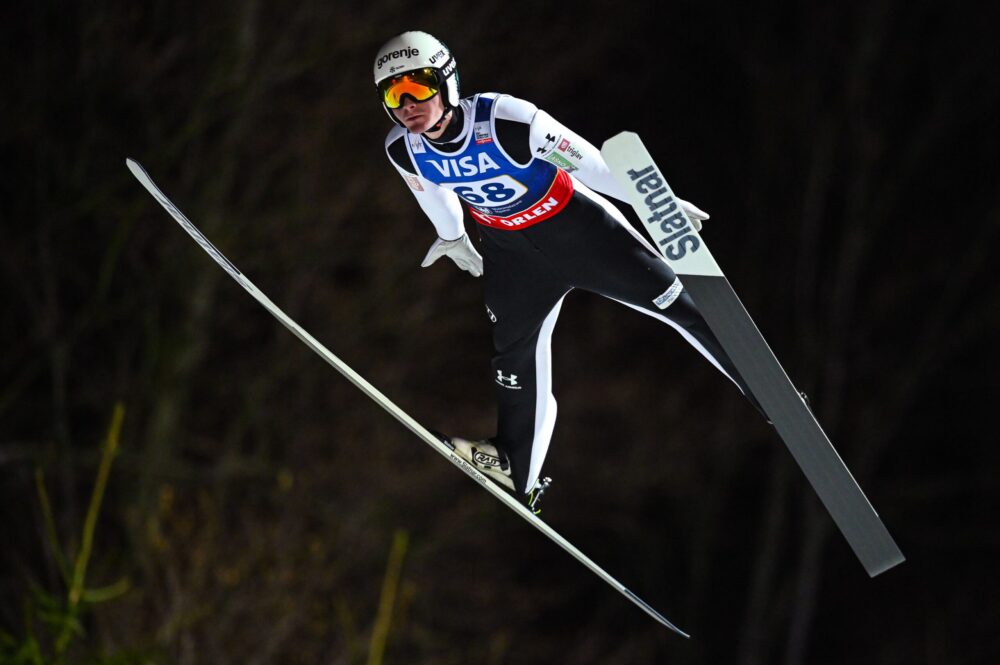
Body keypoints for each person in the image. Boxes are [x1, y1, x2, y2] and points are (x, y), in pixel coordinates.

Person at [375, 31, 760, 511]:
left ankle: (765, 389)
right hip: (511, 255)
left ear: (447, 82)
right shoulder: (404, 148)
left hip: (579, 231)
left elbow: (591, 165)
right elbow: (431, 192)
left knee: (675, 303)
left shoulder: (507, 119)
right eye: (395, 94)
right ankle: (518, 466)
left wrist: (656, 203)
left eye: (419, 86)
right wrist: (453, 235)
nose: (409, 103)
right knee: (513, 360)